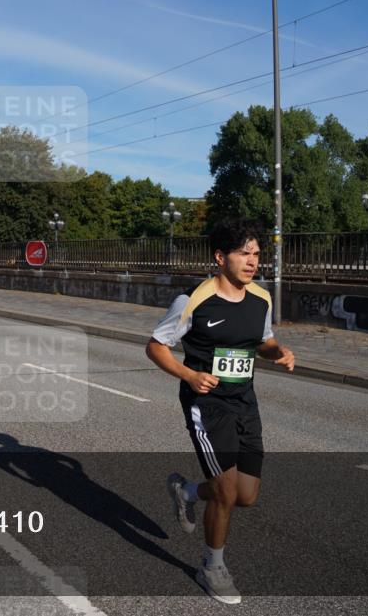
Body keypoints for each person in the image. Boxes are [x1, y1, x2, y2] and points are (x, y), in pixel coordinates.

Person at [146, 218, 295, 605]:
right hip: (206, 404)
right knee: (226, 492)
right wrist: (189, 375)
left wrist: (278, 352)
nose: (252, 261)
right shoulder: (193, 299)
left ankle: (188, 491)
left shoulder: (261, 298)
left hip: (245, 401)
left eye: (257, 253)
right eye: (243, 253)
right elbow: (156, 346)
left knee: (246, 495)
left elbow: (262, 340)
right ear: (220, 256)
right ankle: (212, 567)